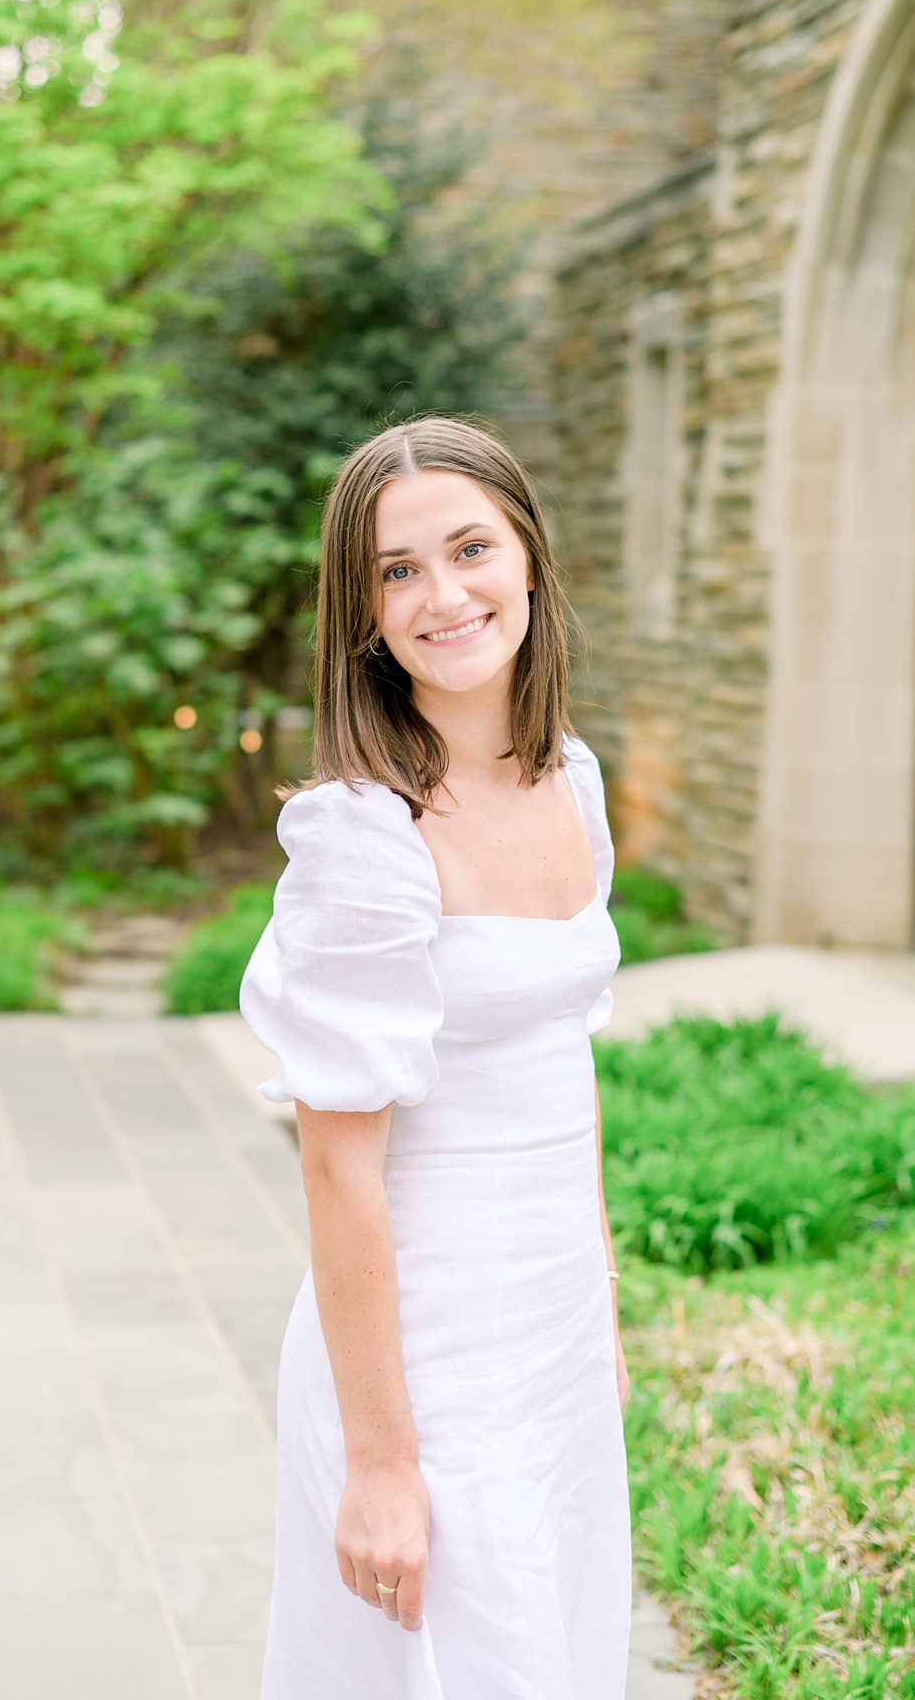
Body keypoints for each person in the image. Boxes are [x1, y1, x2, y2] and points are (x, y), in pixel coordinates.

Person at [243, 418, 633, 1696]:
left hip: (554, 1323)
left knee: (560, 1650)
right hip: (425, 1343)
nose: (444, 593)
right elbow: (337, 1170)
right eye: (398, 570)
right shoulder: (364, 838)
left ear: (529, 558)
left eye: (470, 548)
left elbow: (564, 1070)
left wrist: (603, 1309)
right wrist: (381, 1461)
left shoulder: (573, 781)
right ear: (361, 612)